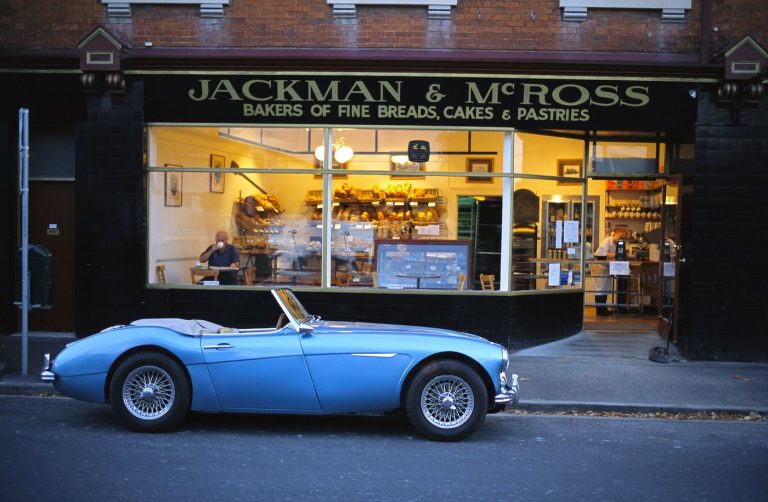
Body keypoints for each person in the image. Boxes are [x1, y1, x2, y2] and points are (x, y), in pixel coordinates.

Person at [592, 228, 627, 316]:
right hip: (599, 268)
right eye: (620, 237)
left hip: (606, 268)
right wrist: (614, 255)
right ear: (614, 234)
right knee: (600, 289)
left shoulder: (617, 245)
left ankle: (604, 309)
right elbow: (601, 253)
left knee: (605, 289)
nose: (620, 239)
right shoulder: (607, 241)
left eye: (623, 238)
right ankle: (600, 311)